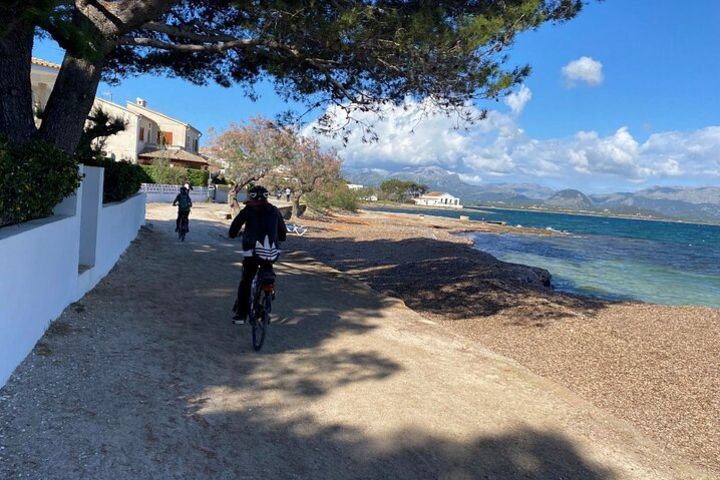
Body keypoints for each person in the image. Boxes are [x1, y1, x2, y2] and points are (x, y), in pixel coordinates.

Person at [229, 185, 287, 324]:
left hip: (252, 253)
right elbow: (283, 234)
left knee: (246, 281)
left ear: (250, 197)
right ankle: (268, 293)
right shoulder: (274, 210)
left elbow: (232, 231)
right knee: (268, 268)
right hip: (272, 253)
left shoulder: (248, 210)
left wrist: (235, 234)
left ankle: (241, 315)